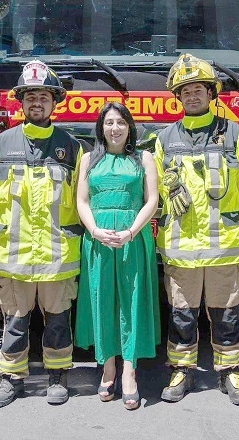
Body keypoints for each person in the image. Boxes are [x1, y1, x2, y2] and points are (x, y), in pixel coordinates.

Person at [154, 53, 239, 406]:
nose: (192, 95)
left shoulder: (233, 132)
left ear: (212, 93)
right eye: (185, 91)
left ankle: (230, 372)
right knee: (182, 314)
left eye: (199, 88)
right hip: (181, 248)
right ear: (177, 98)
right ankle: (181, 370)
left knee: (227, 313)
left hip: (224, 247)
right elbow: (154, 192)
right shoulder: (165, 138)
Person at [0, 60, 83, 408]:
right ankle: (12, 379)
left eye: (43, 96)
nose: (36, 103)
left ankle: (58, 377)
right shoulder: (0, 144)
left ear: (55, 102)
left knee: (58, 321)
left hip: (57, 255)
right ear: (20, 102)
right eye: (30, 97)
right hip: (14, 257)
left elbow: (80, 198)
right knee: (14, 322)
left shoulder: (71, 147)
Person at [75, 102, 160, 411]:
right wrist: (95, 230)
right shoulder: (88, 160)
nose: (115, 128)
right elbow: (81, 201)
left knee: (131, 303)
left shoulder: (144, 158)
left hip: (132, 239)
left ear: (129, 127)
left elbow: (152, 200)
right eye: (109, 122)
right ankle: (107, 366)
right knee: (102, 301)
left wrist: (131, 232)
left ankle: (129, 372)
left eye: (121, 122)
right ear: (101, 127)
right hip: (98, 240)